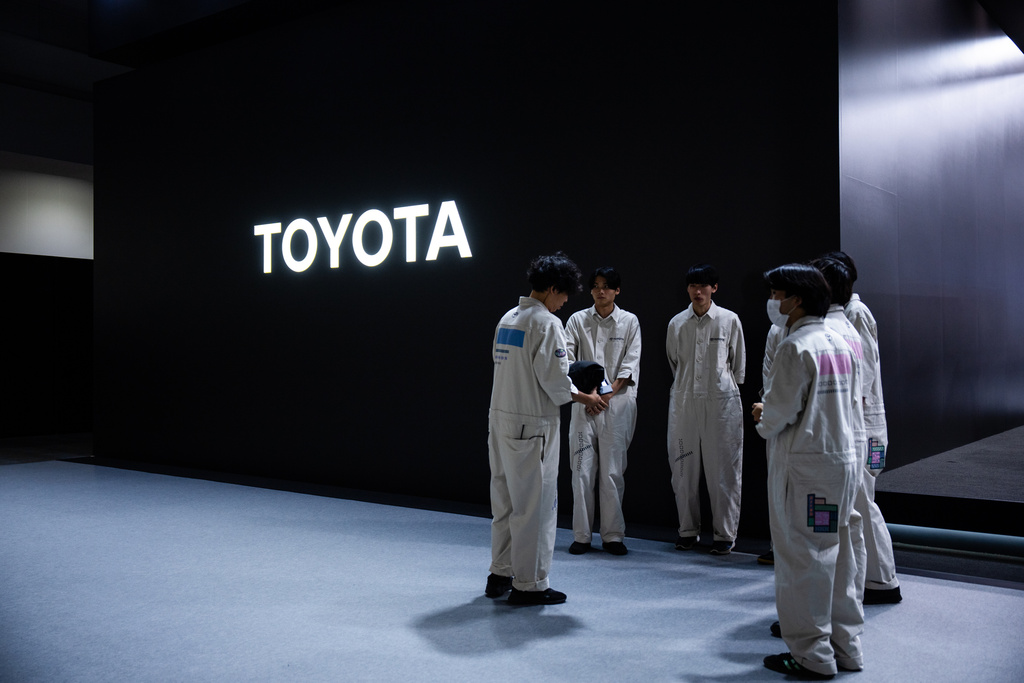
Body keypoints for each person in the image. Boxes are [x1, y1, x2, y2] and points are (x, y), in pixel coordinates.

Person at [754, 263, 866, 680]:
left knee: (804, 557)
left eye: (777, 294)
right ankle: (846, 646)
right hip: (841, 463)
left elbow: (778, 414)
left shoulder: (796, 346)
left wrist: (763, 414)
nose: (774, 302)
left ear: (796, 299)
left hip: (805, 469)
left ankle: (811, 655)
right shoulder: (841, 339)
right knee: (840, 554)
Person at [485, 251, 608, 606]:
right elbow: (554, 383)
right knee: (535, 508)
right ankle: (530, 584)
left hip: (501, 419)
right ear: (552, 288)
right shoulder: (546, 324)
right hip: (532, 425)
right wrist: (587, 396)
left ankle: (500, 572)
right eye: (565, 294)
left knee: (505, 502)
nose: (566, 301)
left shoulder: (508, 318)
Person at [823, 251, 902, 605]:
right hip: (863, 423)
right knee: (860, 503)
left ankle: (883, 580)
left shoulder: (854, 314)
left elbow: (864, 373)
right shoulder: (850, 313)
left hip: (865, 426)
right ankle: (874, 578)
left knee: (863, 504)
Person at [666, 263, 746, 555]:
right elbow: (674, 362)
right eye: (692, 286)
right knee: (683, 468)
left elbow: (738, 366)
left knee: (723, 471)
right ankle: (687, 530)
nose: (697, 292)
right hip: (685, 401)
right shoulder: (677, 323)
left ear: (714, 288)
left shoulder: (729, 320)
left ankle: (724, 535)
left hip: (721, 402)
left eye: (703, 286)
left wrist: (722, 388)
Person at [564, 267, 641, 556]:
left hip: (617, 405)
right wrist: (589, 396)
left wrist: (605, 394)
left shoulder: (629, 322)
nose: (600, 291)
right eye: (596, 286)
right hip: (584, 404)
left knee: (611, 472)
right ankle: (582, 536)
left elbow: (630, 363)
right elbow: (568, 362)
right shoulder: (577, 320)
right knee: (581, 470)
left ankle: (612, 536)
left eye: (607, 286)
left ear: (617, 290)